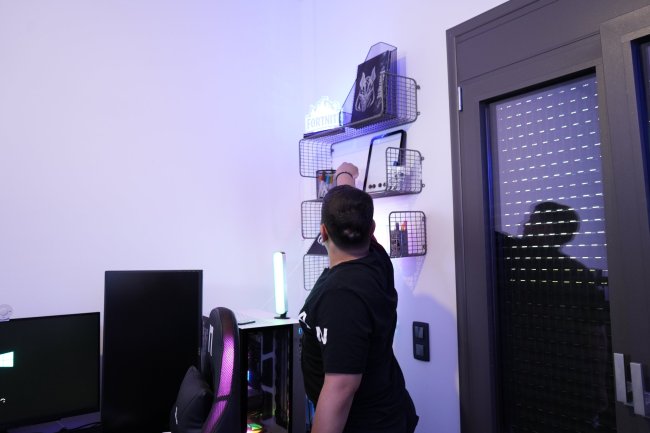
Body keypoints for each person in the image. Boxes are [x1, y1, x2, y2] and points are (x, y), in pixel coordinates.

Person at [299, 162, 419, 433]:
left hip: (364, 424)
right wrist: (345, 175)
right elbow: (349, 210)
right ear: (371, 228)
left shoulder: (342, 297)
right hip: (388, 410)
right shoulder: (376, 258)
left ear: (323, 232)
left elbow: (341, 389)